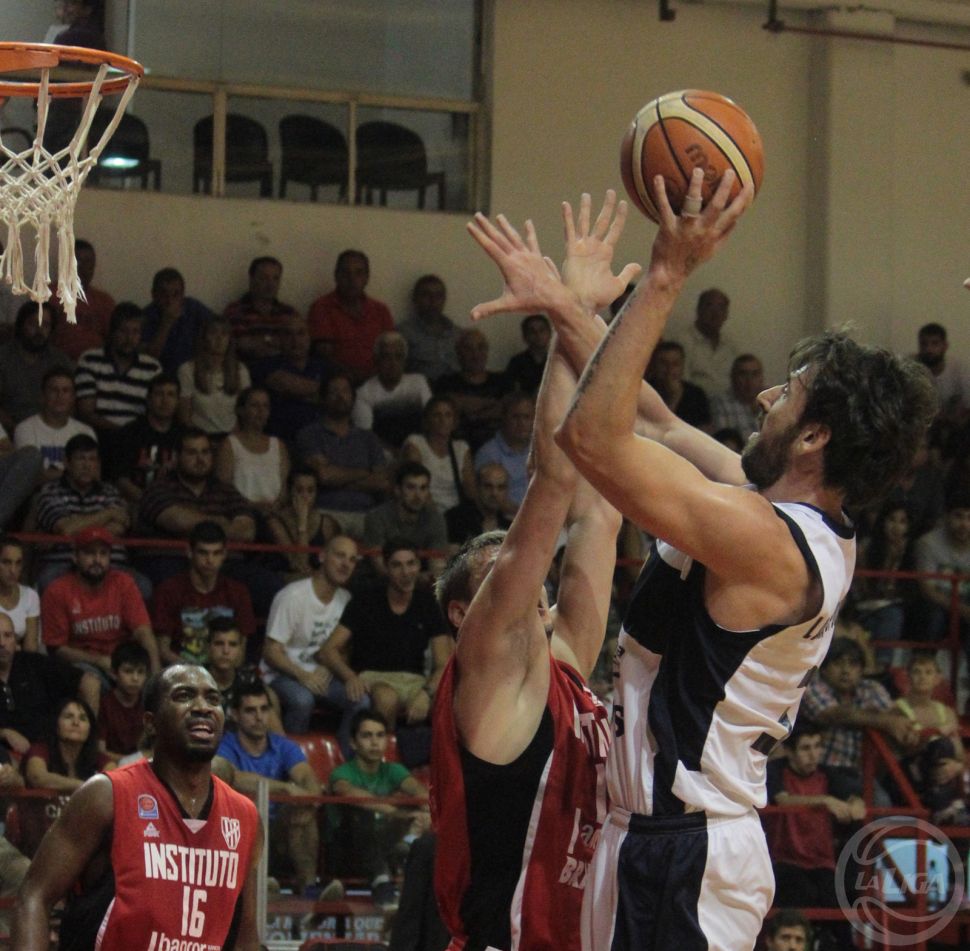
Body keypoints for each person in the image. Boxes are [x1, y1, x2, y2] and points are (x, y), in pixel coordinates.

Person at [463, 177, 935, 950]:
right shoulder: (765, 504)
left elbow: (596, 439)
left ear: (814, 438)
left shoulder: (770, 544)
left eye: (790, 392)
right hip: (648, 839)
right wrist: (566, 306)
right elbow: (651, 419)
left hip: (687, 848)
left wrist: (666, 274)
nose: (767, 396)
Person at [430, 200, 623, 950]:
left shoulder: (564, 661)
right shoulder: (485, 672)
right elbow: (552, 481)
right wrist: (565, 315)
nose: (533, 582)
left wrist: (587, 321)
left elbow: (599, 505)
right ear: (463, 614)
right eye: (499, 574)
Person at [12, 664, 263, 950]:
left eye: (213, 699)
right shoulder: (105, 795)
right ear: (151, 723)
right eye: (184, 696)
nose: (202, 707)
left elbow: (245, 937)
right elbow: (34, 897)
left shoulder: (245, 816)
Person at [321, 539, 452, 730]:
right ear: (387, 568)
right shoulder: (365, 599)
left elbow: (443, 664)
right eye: (397, 565)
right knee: (387, 698)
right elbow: (329, 649)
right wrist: (350, 677)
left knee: (449, 703)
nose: (406, 572)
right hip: (373, 677)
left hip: (415, 681)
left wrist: (427, 694)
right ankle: (383, 748)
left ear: (418, 566)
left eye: (411, 564)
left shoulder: (428, 604)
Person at [215, 682, 326, 895]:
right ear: (235, 715)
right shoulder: (225, 745)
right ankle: (259, 888)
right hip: (239, 831)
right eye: (250, 711)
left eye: (264, 709)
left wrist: (310, 800)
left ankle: (309, 889)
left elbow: (306, 776)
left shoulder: (284, 746)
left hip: (278, 831)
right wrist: (285, 789)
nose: (259, 717)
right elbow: (233, 777)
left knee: (303, 813)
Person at [260, 534, 368, 751]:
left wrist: (330, 670)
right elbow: (271, 651)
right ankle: (290, 758)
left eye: (352, 559)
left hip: (323, 675)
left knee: (362, 701)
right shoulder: (293, 596)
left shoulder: (346, 599)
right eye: (340, 556)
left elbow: (344, 650)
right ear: (322, 556)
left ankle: (345, 758)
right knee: (303, 700)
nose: (346, 564)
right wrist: (303, 675)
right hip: (283, 674)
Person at [330, 710, 429, 907]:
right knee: (362, 814)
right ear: (353, 743)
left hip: (384, 845)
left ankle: (390, 874)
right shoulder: (342, 773)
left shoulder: (393, 770)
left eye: (380, 735)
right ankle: (384, 881)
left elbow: (420, 792)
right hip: (348, 850)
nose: (375, 742)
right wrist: (396, 812)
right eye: (367, 736)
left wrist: (426, 811)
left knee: (418, 815)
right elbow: (349, 793)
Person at [41, 526, 161, 684]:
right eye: (90, 553)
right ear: (75, 557)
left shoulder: (123, 583)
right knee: (90, 680)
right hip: (83, 663)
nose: (97, 560)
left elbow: (143, 631)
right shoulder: (57, 590)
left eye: (103, 553)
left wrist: (157, 676)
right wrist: (99, 661)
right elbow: (56, 649)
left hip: (123, 662)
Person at [765, 721, 865, 909]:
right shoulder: (775, 770)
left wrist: (855, 804)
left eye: (817, 746)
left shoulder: (827, 774)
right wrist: (825, 800)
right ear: (789, 752)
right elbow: (783, 801)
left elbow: (855, 800)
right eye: (805, 748)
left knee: (840, 904)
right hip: (785, 861)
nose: (813, 755)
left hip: (822, 863)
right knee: (803, 894)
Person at [294, 372, 391, 538]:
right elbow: (324, 476)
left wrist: (338, 478)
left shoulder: (368, 438)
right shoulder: (310, 435)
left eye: (345, 391)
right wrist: (365, 473)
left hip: (366, 514)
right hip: (326, 512)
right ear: (323, 398)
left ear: (353, 398)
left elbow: (381, 482)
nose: (340, 396)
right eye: (334, 391)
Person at [151, 520, 257, 667]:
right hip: (182, 672)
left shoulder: (238, 592)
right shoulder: (169, 590)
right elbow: (163, 649)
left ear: (224, 554)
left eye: (216, 553)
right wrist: (197, 673)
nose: (210, 560)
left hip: (224, 672)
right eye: (203, 552)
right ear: (189, 552)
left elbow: (240, 651)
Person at [0, 611, 100, 752]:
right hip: (6, 754)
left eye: (7, 635)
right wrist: (4, 733)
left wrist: (85, 736)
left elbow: (91, 683)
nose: (2, 643)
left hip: (51, 750)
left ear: (15, 641)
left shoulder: (34, 664)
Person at [895, 650, 969, 824]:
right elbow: (905, 748)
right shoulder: (897, 708)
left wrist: (956, 767)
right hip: (911, 773)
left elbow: (958, 752)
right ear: (908, 677)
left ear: (937, 678)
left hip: (942, 775)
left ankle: (945, 806)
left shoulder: (947, 712)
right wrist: (936, 732)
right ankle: (944, 806)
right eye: (917, 672)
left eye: (928, 672)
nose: (922, 677)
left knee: (945, 748)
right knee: (940, 744)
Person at [308, 249, 395, 385]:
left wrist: (377, 376)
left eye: (359, 273)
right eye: (345, 272)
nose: (352, 279)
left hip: (378, 382)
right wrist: (355, 377)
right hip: (339, 382)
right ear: (336, 276)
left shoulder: (381, 310)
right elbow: (323, 356)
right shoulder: (321, 307)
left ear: (367, 278)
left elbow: (391, 352)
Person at [75, 302, 162, 433]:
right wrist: (121, 433)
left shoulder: (152, 368)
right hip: (97, 435)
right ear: (112, 332)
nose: (129, 338)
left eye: (135, 332)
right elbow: (86, 413)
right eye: (123, 331)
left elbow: (157, 412)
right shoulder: (90, 360)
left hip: (138, 436)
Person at [101, 371, 184, 505]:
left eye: (171, 394)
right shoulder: (128, 433)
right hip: (136, 504)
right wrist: (150, 503)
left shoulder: (184, 436)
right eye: (159, 394)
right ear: (148, 399)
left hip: (177, 505)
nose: (165, 400)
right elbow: (120, 479)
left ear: (178, 401)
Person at [252, 312, 336, 442]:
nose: (295, 340)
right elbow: (288, 384)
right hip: (281, 440)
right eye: (288, 334)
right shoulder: (267, 365)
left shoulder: (323, 366)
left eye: (301, 333)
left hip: (321, 440)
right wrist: (321, 394)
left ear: (309, 337)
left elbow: (335, 395)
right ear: (279, 338)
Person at [362, 464, 449, 578]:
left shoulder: (435, 518)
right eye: (411, 487)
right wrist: (415, 579)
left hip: (422, 583)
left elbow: (437, 564)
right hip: (382, 584)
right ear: (398, 490)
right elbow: (380, 567)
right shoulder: (377, 517)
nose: (418, 496)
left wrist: (431, 577)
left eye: (423, 488)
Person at [352, 331, 432, 451]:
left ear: (405, 361)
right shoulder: (363, 393)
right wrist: (398, 454)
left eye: (398, 357)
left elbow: (432, 422)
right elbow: (366, 438)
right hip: (382, 455)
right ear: (376, 360)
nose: (393, 362)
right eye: (386, 356)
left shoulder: (419, 383)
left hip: (421, 451)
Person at [0, 300, 72, 433]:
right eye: (33, 324)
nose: (39, 330)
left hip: (53, 430)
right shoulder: (4, 357)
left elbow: (70, 403)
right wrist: (19, 430)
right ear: (21, 325)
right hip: (8, 432)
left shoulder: (60, 361)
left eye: (45, 325)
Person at [13, 367, 96, 481]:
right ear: (43, 396)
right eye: (54, 390)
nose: (60, 395)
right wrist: (75, 474)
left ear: (73, 397)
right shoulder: (25, 429)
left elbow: (94, 475)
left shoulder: (86, 431)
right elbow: (30, 476)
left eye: (65, 391)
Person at [215, 385, 289, 511]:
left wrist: (276, 505)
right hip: (241, 512)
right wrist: (252, 506)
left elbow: (284, 489)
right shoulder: (229, 445)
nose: (261, 411)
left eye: (265, 406)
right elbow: (224, 488)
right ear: (241, 410)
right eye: (255, 405)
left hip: (275, 513)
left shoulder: (278, 445)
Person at [433, 328, 509, 451]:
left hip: (497, 449)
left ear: (487, 351)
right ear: (458, 353)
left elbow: (508, 410)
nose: (476, 354)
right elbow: (446, 408)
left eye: (481, 348)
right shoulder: (446, 382)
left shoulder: (502, 381)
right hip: (456, 448)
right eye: (468, 349)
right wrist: (491, 404)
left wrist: (469, 410)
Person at [177, 313, 251, 436]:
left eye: (224, 334)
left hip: (232, 436)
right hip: (199, 437)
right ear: (204, 338)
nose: (219, 338)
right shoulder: (187, 370)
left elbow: (246, 411)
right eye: (213, 332)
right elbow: (185, 415)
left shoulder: (240, 370)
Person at [401, 395, 476, 515]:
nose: (443, 420)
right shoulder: (416, 443)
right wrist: (437, 519)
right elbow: (415, 484)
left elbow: (471, 490)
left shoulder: (461, 447)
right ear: (427, 420)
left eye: (448, 415)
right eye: (437, 415)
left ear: (454, 421)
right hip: (424, 512)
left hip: (456, 513)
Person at [266, 467, 343, 579]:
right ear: (290, 492)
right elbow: (299, 564)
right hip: (285, 580)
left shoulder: (327, 524)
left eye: (310, 491)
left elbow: (331, 565)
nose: (305, 496)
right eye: (299, 490)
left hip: (316, 580)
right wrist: (302, 523)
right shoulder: (275, 522)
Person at [223, 255, 298, 361]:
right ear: (251, 279)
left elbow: (298, 344)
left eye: (275, 278)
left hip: (286, 366)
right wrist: (277, 342)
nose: (270, 284)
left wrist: (259, 341)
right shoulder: (235, 311)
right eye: (264, 278)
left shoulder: (289, 313)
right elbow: (237, 344)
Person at [141, 267, 215, 374]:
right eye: (163, 294)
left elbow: (218, 328)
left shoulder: (193, 309)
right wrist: (167, 323)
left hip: (192, 373)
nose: (169, 300)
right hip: (158, 376)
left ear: (183, 294)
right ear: (154, 295)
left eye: (176, 294)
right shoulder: (145, 317)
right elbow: (149, 358)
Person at [51, 238, 114, 361]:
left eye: (88, 262)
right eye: (77, 261)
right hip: (56, 364)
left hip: (96, 365)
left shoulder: (105, 302)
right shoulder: (48, 295)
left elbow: (114, 340)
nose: (82, 267)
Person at [671, 286, 737, 397]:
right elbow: (681, 383)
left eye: (721, 307)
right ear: (698, 310)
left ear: (726, 315)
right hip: (695, 402)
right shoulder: (683, 341)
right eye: (709, 306)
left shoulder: (731, 346)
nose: (715, 313)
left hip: (728, 404)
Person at [473, 391, 535, 508]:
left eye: (527, 417)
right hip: (510, 517)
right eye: (515, 417)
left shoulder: (540, 449)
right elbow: (489, 500)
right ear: (504, 418)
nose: (521, 423)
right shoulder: (488, 453)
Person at [398, 274, 461, 383]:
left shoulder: (457, 334)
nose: (433, 300)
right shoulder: (403, 333)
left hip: (456, 390)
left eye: (438, 296)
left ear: (444, 299)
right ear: (415, 299)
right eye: (426, 295)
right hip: (419, 391)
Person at [97, 642, 149, 760]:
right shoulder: (104, 704)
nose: (135, 678)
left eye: (140, 672)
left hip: (142, 763)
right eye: (128, 671)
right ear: (114, 674)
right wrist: (130, 761)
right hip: (112, 765)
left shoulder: (149, 703)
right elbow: (100, 751)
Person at [444, 461, 513, 547]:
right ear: (477, 487)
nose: (494, 493)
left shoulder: (510, 528)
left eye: (501, 487)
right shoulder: (455, 518)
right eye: (488, 486)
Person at [647, 339, 712, 429]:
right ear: (653, 365)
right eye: (663, 364)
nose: (669, 369)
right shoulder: (644, 391)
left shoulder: (696, 395)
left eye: (675, 364)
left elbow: (705, 429)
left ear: (682, 366)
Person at [710, 352, 764, 439]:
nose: (749, 380)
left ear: (761, 378)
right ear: (733, 377)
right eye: (743, 374)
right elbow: (725, 441)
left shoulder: (771, 401)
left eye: (755, 374)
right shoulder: (720, 403)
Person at [0, 536, 40, 651]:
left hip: (19, 659)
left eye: (18, 563)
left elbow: (31, 649)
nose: (13, 570)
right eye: (6, 562)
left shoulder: (30, 596)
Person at [504, 313, 552, 396]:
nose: (538, 335)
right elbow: (510, 392)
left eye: (542, 330)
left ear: (550, 334)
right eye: (532, 331)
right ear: (525, 336)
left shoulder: (558, 361)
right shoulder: (517, 363)